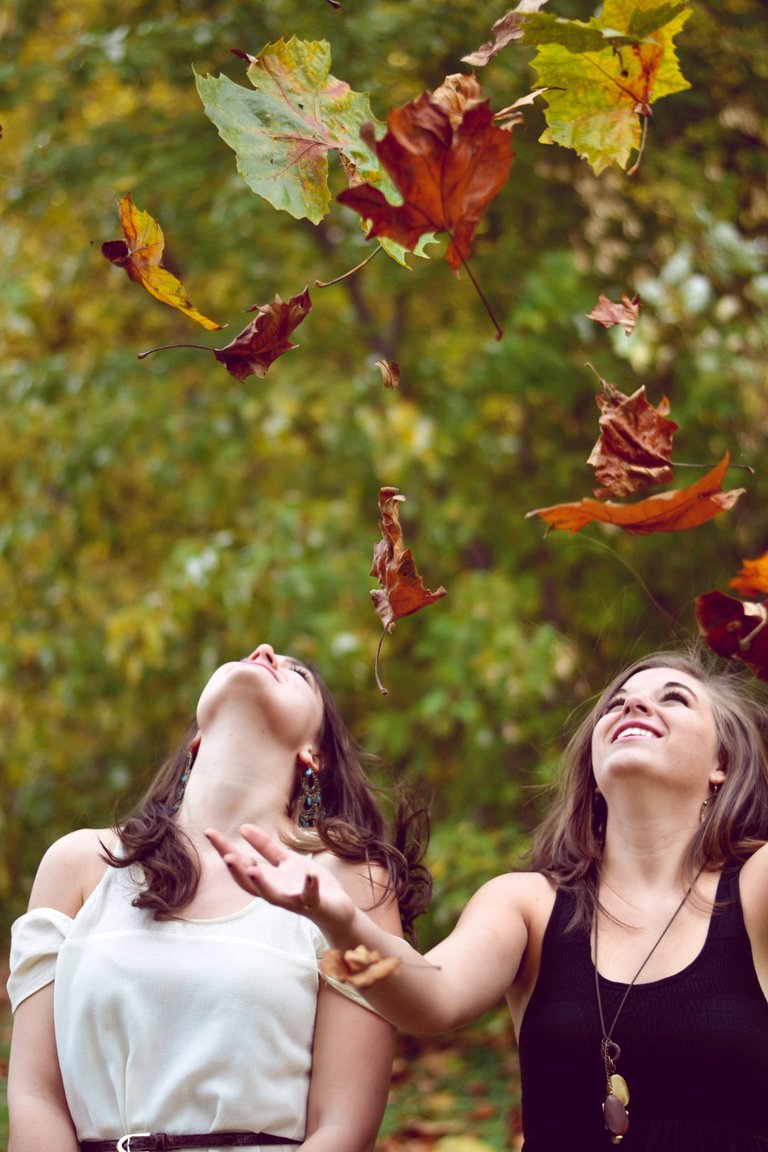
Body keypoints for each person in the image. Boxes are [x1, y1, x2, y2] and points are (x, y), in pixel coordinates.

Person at [207, 646, 768, 1151]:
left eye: (674, 699)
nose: (634, 708)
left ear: (722, 762)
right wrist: (340, 919)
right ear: (593, 771)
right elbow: (429, 999)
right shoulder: (525, 904)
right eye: (616, 704)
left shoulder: (756, 887)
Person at [7, 642, 431, 1152]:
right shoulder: (78, 865)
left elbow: (342, 1125)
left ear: (313, 753)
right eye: (253, 654)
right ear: (196, 738)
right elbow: (34, 1096)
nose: (266, 651)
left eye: (298, 674)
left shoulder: (349, 886)